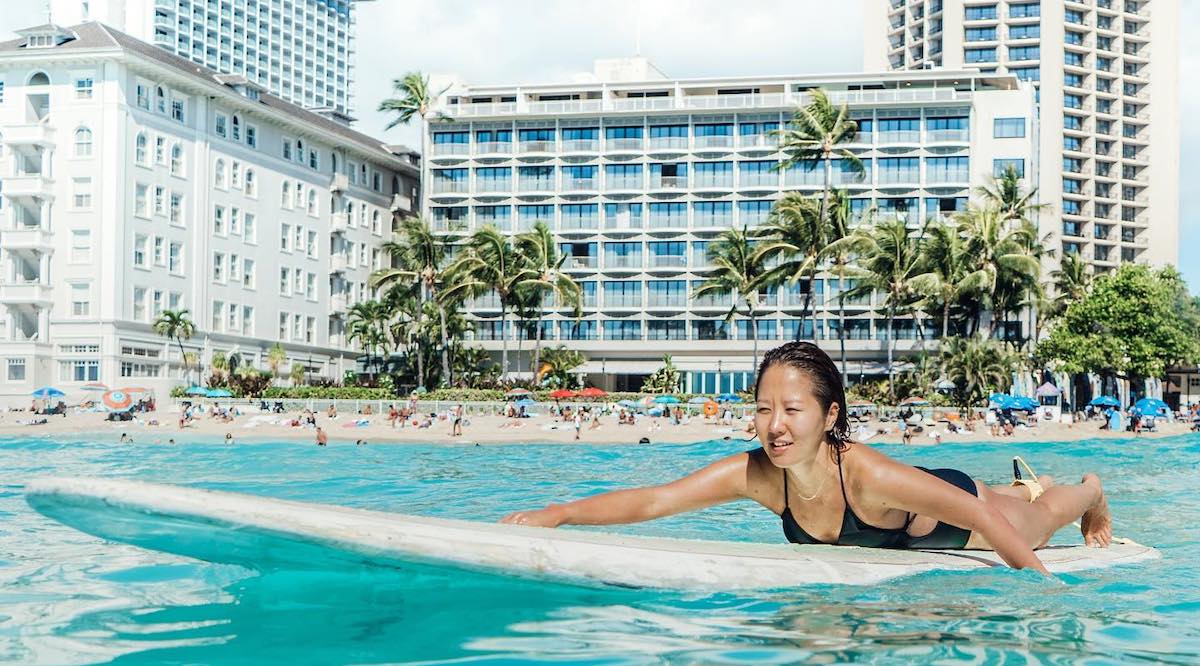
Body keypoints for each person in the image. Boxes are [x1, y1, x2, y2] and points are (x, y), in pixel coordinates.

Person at [501, 342, 1114, 574]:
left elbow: (978, 519)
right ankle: (1040, 487)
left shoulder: (868, 472)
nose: (774, 425)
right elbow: (658, 499)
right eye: (764, 408)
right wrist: (560, 512)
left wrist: (1044, 589)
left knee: (1035, 519)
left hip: (949, 518)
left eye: (792, 410)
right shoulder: (759, 476)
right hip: (910, 516)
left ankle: (1088, 488)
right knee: (1017, 503)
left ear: (831, 416)